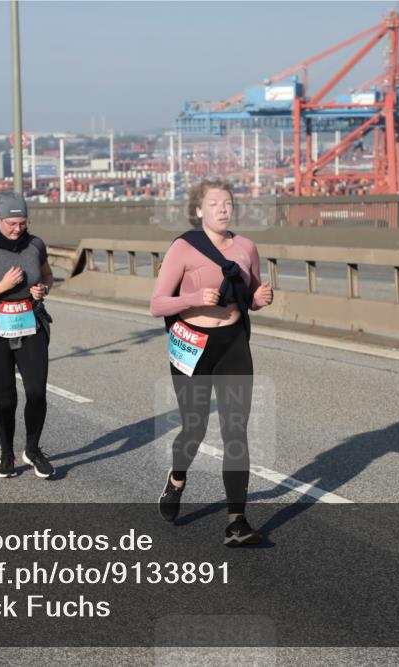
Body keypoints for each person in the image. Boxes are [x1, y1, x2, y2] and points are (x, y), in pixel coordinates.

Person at [150, 178, 274, 547]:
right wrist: (191, 298)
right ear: (199, 210)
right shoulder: (184, 249)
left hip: (233, 342)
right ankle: (176, 482)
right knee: (194, 428)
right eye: (215, 203)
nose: (223, 208)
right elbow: (157, 304)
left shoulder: (246, 247)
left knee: (236, 431)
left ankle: (237, 521)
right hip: (193, 344)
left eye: (228, 203)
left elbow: (248, 296)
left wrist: (260, 298)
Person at [0, 192, 56, 479]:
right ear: (0, 219)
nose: (18, 229)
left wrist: (42, 289)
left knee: (37, 393)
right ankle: (6, 453)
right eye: (12, 223)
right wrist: (3, 285)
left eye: (23, 223)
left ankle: (32, 448)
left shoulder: (35, 244)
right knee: (5, 399)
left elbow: (48, 276)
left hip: (30, 322)